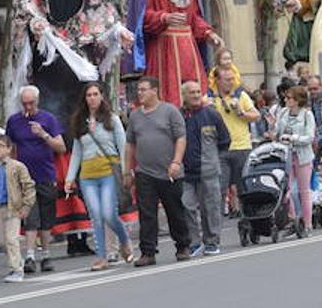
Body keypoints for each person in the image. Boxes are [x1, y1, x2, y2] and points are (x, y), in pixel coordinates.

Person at [64, 82, 133, 270]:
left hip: (108, 171)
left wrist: (127, 171)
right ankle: (101, 256)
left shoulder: (111, 119)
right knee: (95, 215)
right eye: (89, 95)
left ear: (102, 96)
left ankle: (124, 240)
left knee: (109, 213)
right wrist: (70, 178)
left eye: (95, 94)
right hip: (87, 174)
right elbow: (77, 152)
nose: (92, 98)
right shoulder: (79, 121)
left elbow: (123, 146)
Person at [124, 76, 190, 267]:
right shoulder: (135, 115)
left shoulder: (170, 111)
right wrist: (127, 170)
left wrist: (176, 162)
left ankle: (183, 245)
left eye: (143, 89)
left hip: (169, 170)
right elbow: (130, 144)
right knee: (147, 213)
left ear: (155, 91)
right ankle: (148, 251)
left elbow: (181, 138)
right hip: (145, 172)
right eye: (138, 90)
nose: (140, 93)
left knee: (174, 210)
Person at [5, 85, 66, 274]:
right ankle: (30, 256)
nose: (28, 107)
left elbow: (61, 147)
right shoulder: (14, 121)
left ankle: (46, 254)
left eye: (31, 103)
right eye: (24, 104)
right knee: (31, 217)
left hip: (46, 174)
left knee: (47, 217)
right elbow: (10, 146)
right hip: (25, 178)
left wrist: (43, 134)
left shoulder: (48, 119)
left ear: (37, 101)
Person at [180, 79, 230, 255]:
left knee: (210, 207)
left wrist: (214, 161)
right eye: (191, 92)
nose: (195, 95)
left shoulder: (211, 114)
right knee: (186, 205)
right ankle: (194, 242)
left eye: (197, 92)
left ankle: (212, 241)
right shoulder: (179, 116)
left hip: (208, 170)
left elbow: (225, 141)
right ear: (184, 95)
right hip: (185, 172)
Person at [0, 135, 36, 283]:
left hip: (13, 208)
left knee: (11, 239)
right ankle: (17, 262)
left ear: (9, 149)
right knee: (2, 242)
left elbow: (28, 186)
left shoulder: (17, 167)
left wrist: (27, 205)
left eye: (1, 146)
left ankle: (16, 269)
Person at [208, 63, 259, 217]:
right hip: (220, 150)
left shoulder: (241, 96)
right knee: (220, 188)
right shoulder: (210, 99)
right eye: (227, 79)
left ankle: (249, 220)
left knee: (244, 188)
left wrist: (241, 112)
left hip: (241, 147)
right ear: (217, 80)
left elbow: (256, 115)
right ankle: (215, 226)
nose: (231, 82)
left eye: (232, 79)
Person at [276, 86, 317, 234]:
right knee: (288, 189)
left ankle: (307, 224)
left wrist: (293, 138)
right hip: (287, 155)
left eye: (289, 98)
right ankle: (293, 221)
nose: (286, 100)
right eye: (286, 98)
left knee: (303, 190)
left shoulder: (307, 115)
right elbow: (278, 132)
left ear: (298, 100)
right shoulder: (283, 113)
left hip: (303, 156)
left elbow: (310, 137)